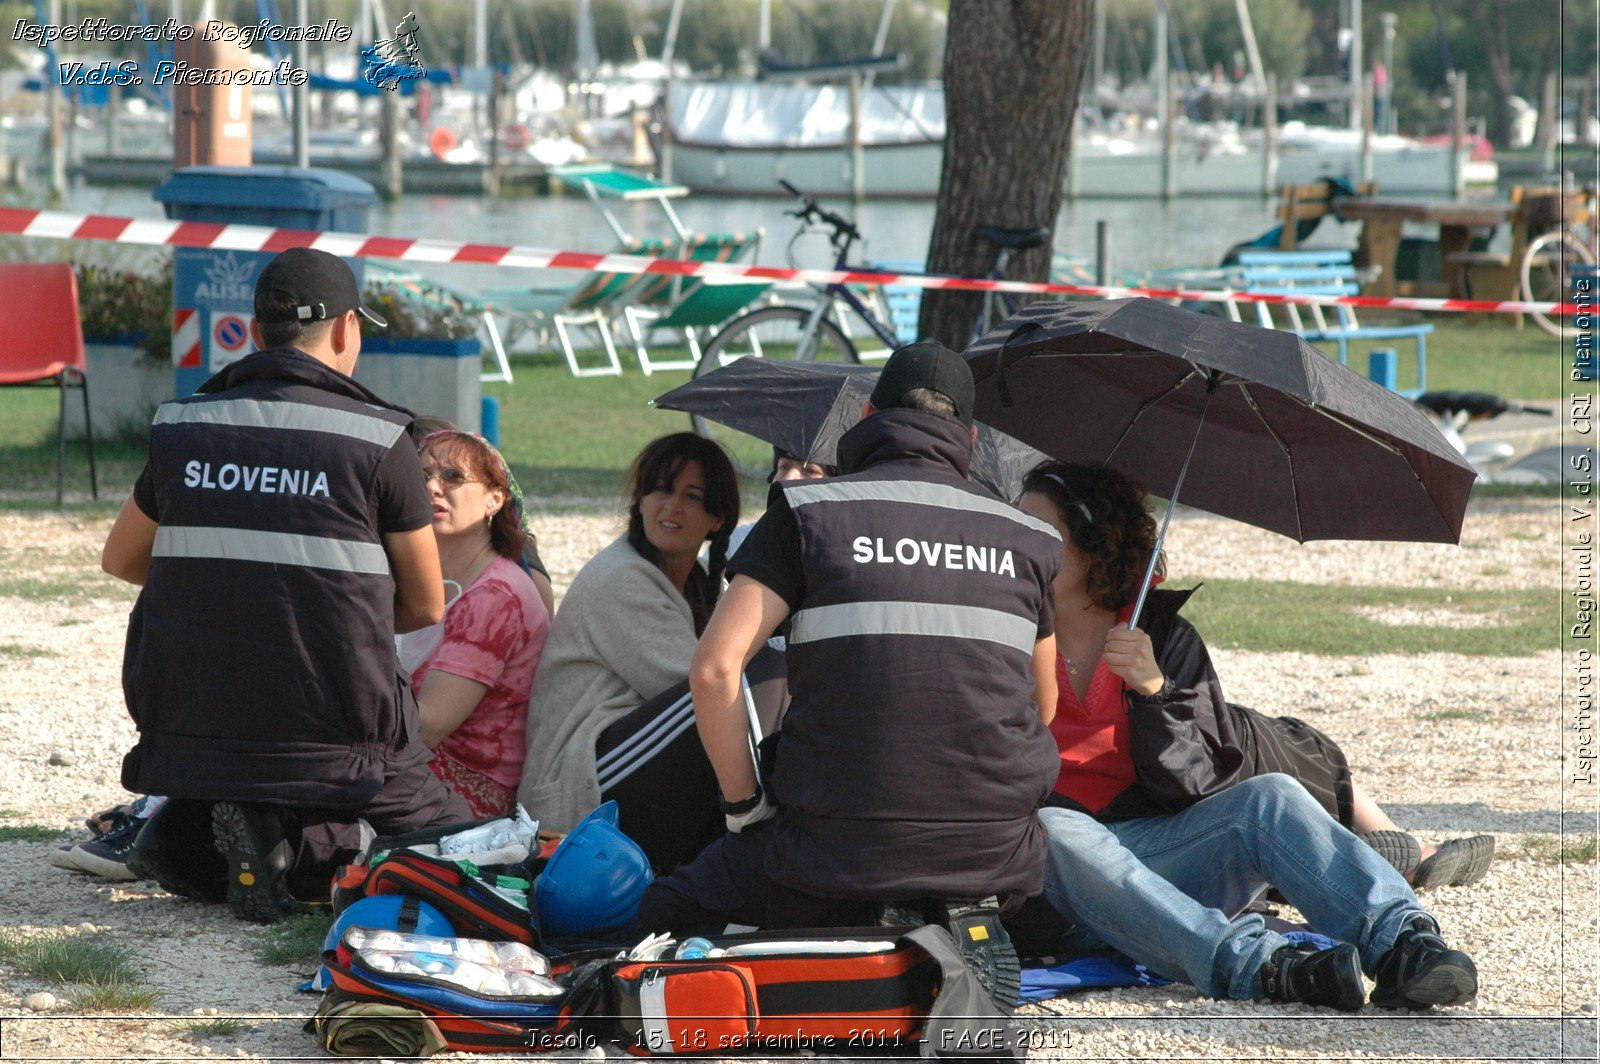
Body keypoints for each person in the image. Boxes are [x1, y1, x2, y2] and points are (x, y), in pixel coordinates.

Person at [1014, 462, 1480, 1011]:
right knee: (1053, 828)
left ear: (1092, 546)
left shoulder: (1163, 637)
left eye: (1038, 536)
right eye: (1012, 530)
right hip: (1060, 883)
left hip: (1161, 853)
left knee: (1272, 796)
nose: (1016, 548)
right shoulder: (1002, 632)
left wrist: (1155, 693)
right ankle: (1263, 968)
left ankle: (1405, 947)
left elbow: (1197, 786)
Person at [688, 341, 1063, 1013]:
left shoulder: (808, 513)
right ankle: (945, 920)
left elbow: (716, 669)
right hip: (995, 853)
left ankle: (864, 931)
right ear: (970, 438)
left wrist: (745, 810)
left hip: (834, 848)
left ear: (866, 414)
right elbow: (1046, 701)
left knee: (667, 904)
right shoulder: (1027, 538)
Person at [100, 247, 472, 923]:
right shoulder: (379, 439)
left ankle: (196, 831)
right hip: (338, 723)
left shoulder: (184, 426)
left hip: (192, 722)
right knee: (458, 844)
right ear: (344, 330)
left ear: (251, 330)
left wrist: (223, 594)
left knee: (245, 783)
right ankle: (283, 837)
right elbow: (423, 603)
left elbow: (121, 560)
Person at [517, 433, 739, 871]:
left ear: (717, 518)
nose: (671, 505)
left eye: (691, 497)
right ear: (639, 502)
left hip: (626, 759)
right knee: (720, 700)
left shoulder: (699, 579)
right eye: (659, 489)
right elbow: (699, 689)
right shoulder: (621, 579)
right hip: (574, 780)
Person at [401, 429, 550, 819]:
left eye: (452, 477)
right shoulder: (425, 576)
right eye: (422, 477)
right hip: (422, 767)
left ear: (494, 499)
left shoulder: (496, 596)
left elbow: (427, 726)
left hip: (463, 793)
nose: (433, 486)